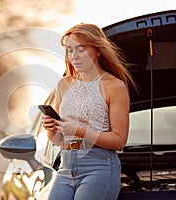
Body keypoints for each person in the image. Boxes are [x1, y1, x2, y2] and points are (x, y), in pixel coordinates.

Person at [42, 23, 137, 200]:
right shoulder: (64, 84)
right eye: (70, 50)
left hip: (99, 167)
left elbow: (119, 141)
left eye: (81, 50)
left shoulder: (114, 86)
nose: (74, 57)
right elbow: (57, 140)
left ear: (98, 50)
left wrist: (78, 130)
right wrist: (51, 127)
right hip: (66, 166)